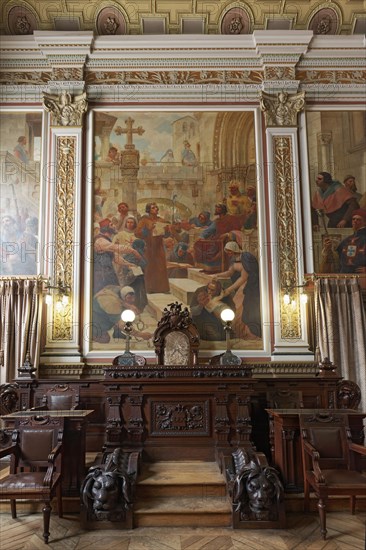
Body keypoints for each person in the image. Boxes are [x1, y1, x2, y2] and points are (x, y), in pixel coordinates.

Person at [212, 241, 261, 339]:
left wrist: (228, 290)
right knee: (235, 308)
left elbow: (243, 278)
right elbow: (229, 273)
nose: (228, 254)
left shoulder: (245, 258)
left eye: (229, 251)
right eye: (227, 252)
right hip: (242, 285)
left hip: (250, 286)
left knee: (242, 308)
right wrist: (217, 275)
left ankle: (248, 333)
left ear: (234, 249)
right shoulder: (234, 259)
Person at [135, 202, 170, 293]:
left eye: (156, 207)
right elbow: (137, 233)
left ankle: (162, 289)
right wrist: (148, 229)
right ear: (148, 210)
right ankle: (149, 289)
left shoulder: (161, 220)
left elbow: (166, 235)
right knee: (149, 267)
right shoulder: (144, 220)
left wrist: (166, 230)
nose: (155, 209)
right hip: (148, 246)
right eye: (153, 207)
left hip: (159, 246)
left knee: (161, 267)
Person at [321, 209, 366, 274]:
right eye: (353, 219)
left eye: (358, 219)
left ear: (365, 222)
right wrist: (327, 249)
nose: (355, 221)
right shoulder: (346, 240)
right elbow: (336, 259)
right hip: (344, 277)